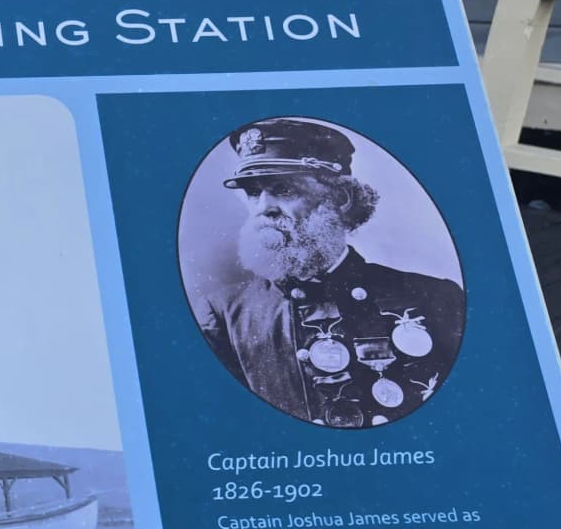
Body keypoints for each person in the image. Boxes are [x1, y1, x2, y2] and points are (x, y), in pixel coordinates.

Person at [191, 117, 465, 428]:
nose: (263, 208)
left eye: (283, 189)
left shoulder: (435, 297)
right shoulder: (224, 315)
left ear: (340, 199)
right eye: (254, 192)